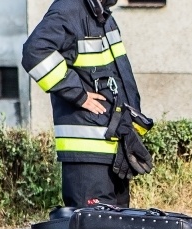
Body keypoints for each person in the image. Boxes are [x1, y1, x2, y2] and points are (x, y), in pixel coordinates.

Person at [22, 0, 149, 208]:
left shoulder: (102, 14)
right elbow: (34, 51)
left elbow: (119, 79)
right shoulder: (68, 9)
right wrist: (79, 94)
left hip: (114, 148)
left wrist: (131, 129)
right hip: (87, 155)